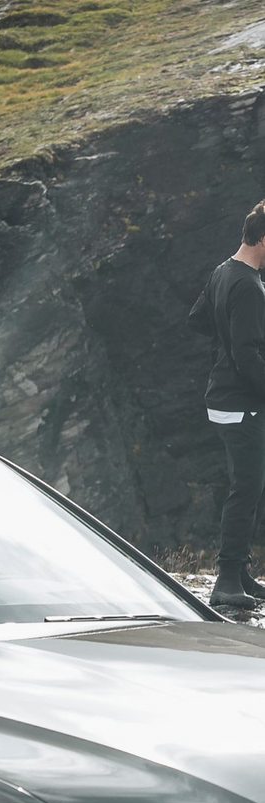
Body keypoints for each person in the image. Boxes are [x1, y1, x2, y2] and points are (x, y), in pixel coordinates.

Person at [187, 200, 265, 608]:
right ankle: (226, 582)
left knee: (248, 486)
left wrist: (226, 348)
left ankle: (241, 574)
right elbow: (248, 355)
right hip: (241, 404)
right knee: (247, 488)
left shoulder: (223, 271)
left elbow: (198, 319)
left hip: (224, 398)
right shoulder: (249, 286)